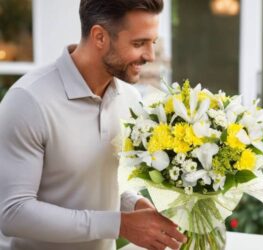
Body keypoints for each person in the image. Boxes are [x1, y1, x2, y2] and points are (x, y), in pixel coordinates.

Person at [0, 0, 186, 250]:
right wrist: (120, 225)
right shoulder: (29, 100)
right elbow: (13, 213)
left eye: (152, 42)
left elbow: (101, 186)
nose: (150, 56)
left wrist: (134, 205)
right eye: (138, 43)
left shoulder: (130, 99)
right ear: (99, 37)